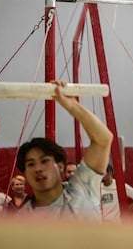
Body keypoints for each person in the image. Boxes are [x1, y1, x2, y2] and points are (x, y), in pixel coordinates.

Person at [16, 80, 113, 221]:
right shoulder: (22, 219)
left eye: (44, 161)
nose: (38, 169)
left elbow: (103, 139)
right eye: (31, 164)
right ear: (25, 173)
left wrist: (72, 106)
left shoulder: (82, 188)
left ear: (60, 167)